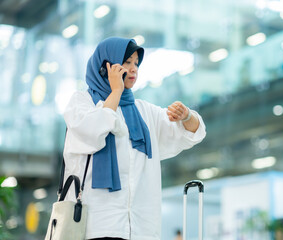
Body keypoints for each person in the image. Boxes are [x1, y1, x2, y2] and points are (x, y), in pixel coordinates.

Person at [62, 37, 206, 240]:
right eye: (127, 62)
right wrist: (116, 92)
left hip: (141, 228)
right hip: (95, 226)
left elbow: (191, 134)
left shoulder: (143, 112)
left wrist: (187, 116)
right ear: (106, 66)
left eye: (136, 63)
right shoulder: (81, 102)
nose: (133, 69)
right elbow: (95, 131)